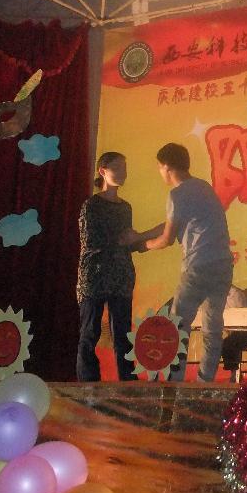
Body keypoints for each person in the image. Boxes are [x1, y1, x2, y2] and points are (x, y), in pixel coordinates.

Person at [143, 143, 233, 382]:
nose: (160, 172)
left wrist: (143, 245)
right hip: (223, 264)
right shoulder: (204, 187)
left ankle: (176, 383)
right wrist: (141, 235)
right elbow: (172, 224)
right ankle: (205, 382)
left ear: (166, 166)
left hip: (198, 265)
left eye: (159, 167)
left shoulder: (177, 194)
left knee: (177, 326)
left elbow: (167, 238)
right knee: (212, 327)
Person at [75, 151, 152, 382]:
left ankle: (127, 382)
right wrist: (124, 239)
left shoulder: (125, 207)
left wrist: (142, 241)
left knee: (123, 335)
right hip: (94, 276)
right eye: (117, 168)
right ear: (103, 171)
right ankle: (88, 384)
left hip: (120, 276)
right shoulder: (91, 205)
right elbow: (90, 240)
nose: (123, 173)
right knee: (90, 332)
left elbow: (128, 243)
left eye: (124, 168)